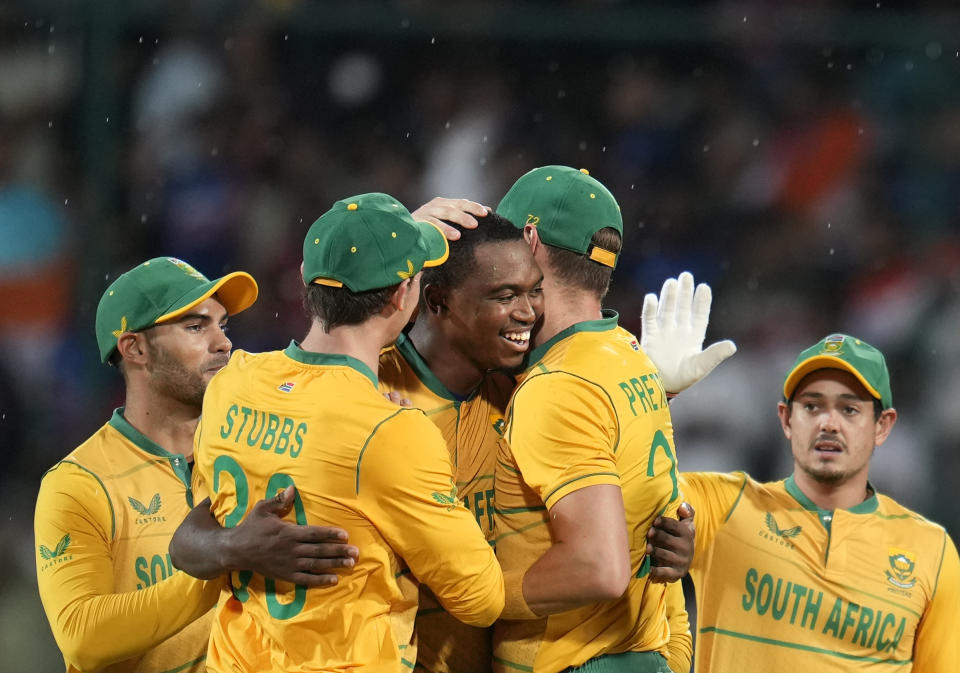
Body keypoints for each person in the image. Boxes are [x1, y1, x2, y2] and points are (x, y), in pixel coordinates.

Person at [190, 193, 505, 672]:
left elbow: (211, 513)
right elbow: (480, 598)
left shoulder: (231, 383)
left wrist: (383, 242)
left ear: (304, 280)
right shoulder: (390, 430)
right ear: (404, 294)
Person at [34, 256, 355, 673]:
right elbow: (82, 638)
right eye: (195, 326)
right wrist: (228, 560)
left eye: (223, 325)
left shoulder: (254, 445)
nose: (222, 343)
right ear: (135, 348)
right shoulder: (80, 484)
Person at [491, 165, 709, 673]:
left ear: (529, 240)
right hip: (633, 652)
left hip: (581, 661)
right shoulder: (629, 353)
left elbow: (599, 566)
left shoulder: (558, 385)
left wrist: (472, 593)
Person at [665, 332, 960, 671]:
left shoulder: (931, 552)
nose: (828, 424)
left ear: (882, 426)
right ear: (787, 420)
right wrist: (658, 399)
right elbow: (631, 490)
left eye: (849, 409)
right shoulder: (723, 506)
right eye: (811, 406)